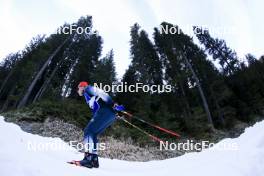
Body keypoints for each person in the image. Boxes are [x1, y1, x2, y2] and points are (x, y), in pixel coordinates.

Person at [73, 81, 124, 168]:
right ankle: (94, 160)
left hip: (104, 112)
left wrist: (112, 104)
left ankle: (88, 159)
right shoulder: (87, 95)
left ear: (82, 86)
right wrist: (113, 112)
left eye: (78, 88)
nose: (78, 91)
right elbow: (97, 104)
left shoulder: (88, 89)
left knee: (88, 131)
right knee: (93, 134)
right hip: (107, 114)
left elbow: (102, 93)